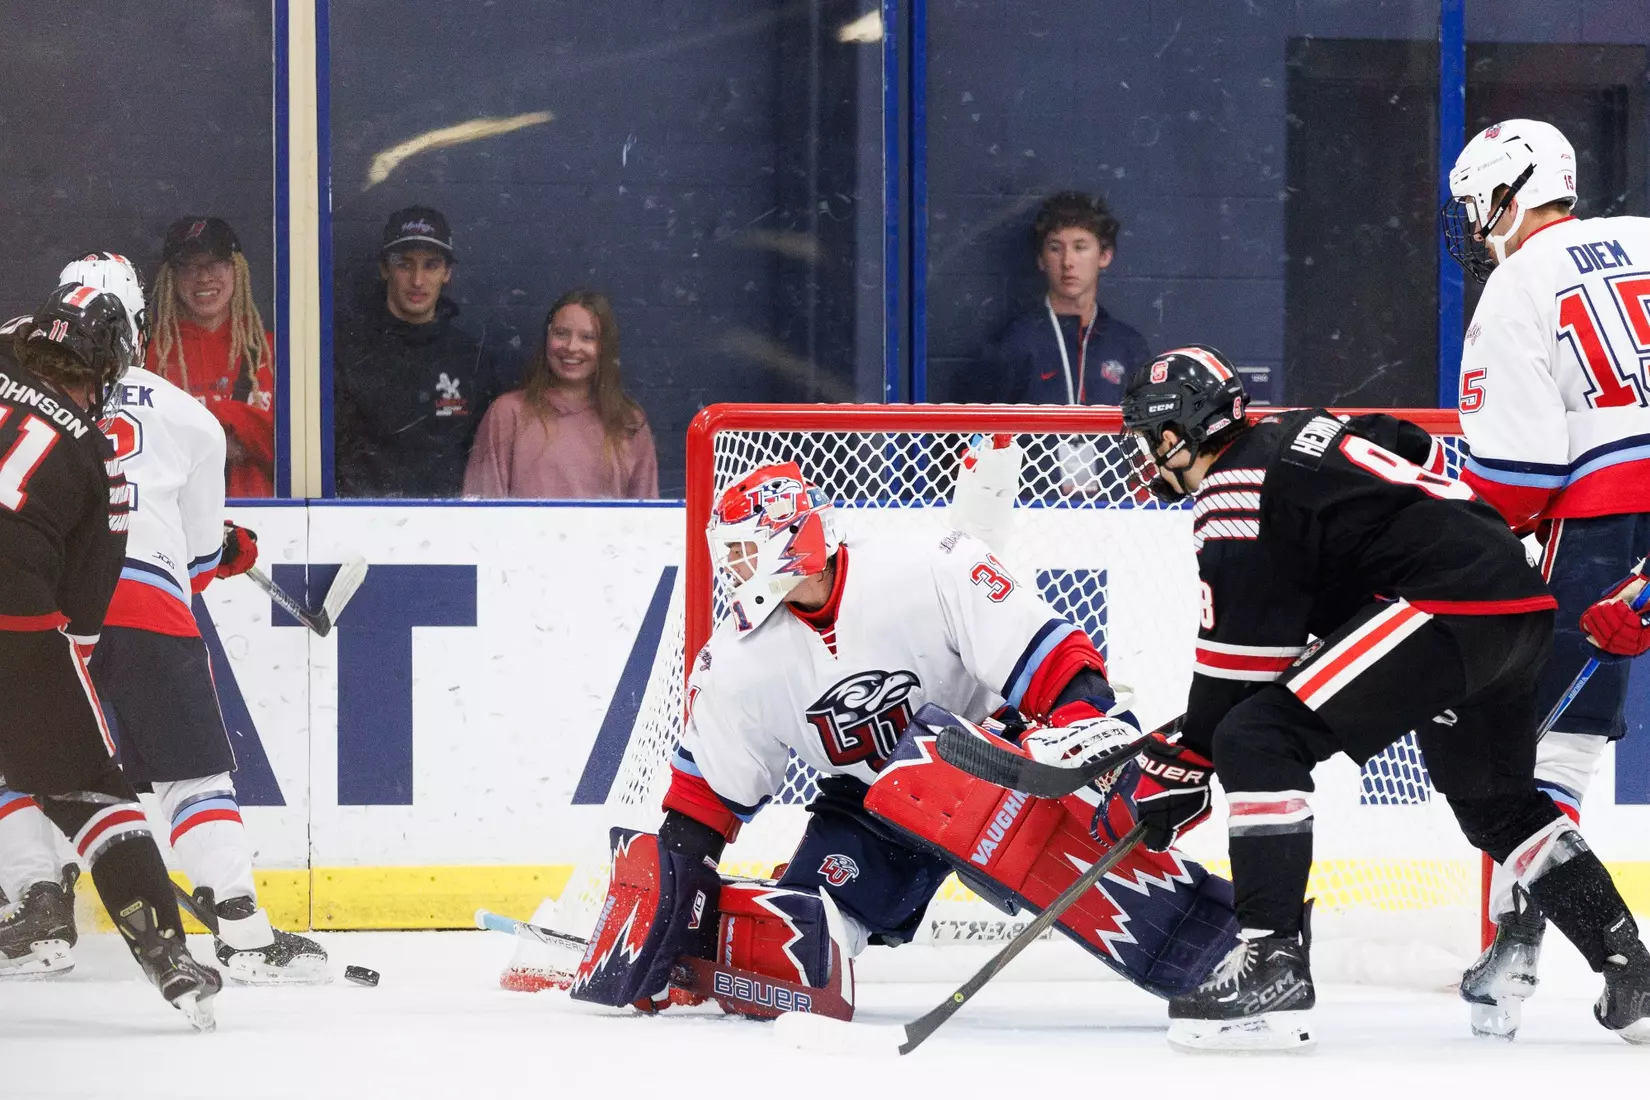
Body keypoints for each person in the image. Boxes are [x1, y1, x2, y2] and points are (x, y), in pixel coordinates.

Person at [1113, 345, 1650, 1051]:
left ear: (1178, 434)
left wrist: (1184, 761)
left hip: (1443, 604)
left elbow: (1236, 676)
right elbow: (1407, 440)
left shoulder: (1233, 488)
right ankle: (1631, 968)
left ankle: (1273, 964)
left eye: (1151, 439)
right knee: (1495, 800)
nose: (1148, 456)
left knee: (1255, 738)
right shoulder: (1303, 429)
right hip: (1516, 602)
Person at [563, 456, 1238, 1014]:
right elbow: (707, 797)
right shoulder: (739, 658)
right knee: (797, 946)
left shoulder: (924, 567)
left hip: (987, 762)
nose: (735, 570)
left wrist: (1081, 718)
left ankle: (1227, 946)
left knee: (980, 794)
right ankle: (727, 940)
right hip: (867, 807)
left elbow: (1043, 651)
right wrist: (679, 895)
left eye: (743, 550)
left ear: (790, 535)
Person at [0, 255, 326, 985]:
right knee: (191, 775)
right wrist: (228, 550)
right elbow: (201, 559)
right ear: (136, 328)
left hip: (43, 601)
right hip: (148, 602)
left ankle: (39, 908)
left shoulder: (15, 380)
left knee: (25, 758)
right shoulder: (190, 415)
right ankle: (243, 933)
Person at [1443, 118, 1650, 1034]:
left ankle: (1520, 945)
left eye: (1474, 205)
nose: (1470, 226)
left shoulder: (1516, 287)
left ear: (1508, 193)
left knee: (1537, 749)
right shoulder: (1648, 235)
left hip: (1606, 531)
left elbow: (1517, 482)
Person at [0, 281, 219, 1027]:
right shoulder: (104, 467)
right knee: (92, 791)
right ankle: (170, 957)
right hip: (19, 620)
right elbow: (83, 626)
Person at [333, 205, 501, 497]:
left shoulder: (470, 359)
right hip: (362, 526)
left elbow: (484, 465)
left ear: (447, 272)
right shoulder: (348, 352)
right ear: (385, 268)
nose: (417, 281)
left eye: (431, 265)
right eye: (405, 264)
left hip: (448, 526)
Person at [463, 290, 657, 499]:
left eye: (587, 337)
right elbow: (481, 514)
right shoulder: (507, 413)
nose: (572, 347)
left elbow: (645, 521)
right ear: (547, 338)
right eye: (561, 333)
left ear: (604, 347)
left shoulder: (628, 421)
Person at [982, 191, 1150, 407]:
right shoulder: (1016, 342)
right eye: (1055, 248)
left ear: (1104, 256)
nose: (1067, 261)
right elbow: (976, 433)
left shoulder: (1128, 346)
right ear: (1041, 259)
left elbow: (1150, 430)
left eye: (1080, 247)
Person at [148, 217, 276, 497]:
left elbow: (294, 451)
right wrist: (223, 440)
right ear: (172, 276)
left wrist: (224, 415)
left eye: (216, 262)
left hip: (264, 524)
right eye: (189, 266)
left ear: (236, 268)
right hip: (175, 524)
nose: (204, 277)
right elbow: (141, 449)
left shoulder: (270, 351)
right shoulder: (149, 354)